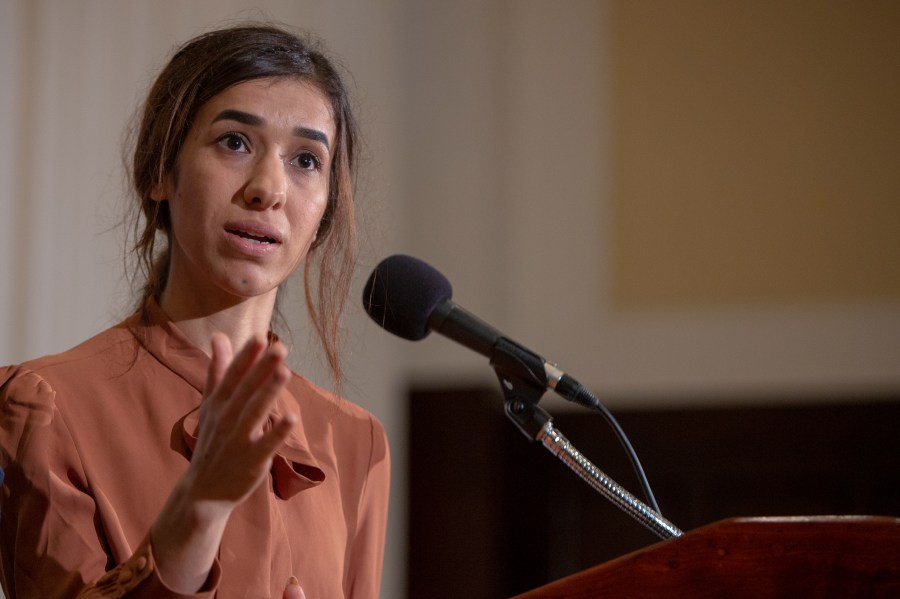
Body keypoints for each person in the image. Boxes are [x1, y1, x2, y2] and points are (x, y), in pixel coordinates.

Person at [0, 24, 390, 598]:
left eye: (307, 160)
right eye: (234, 142)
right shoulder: (44, 406)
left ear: (326, 209)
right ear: (161, 171)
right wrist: (199, 509)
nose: (269, 188)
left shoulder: (355, 443)